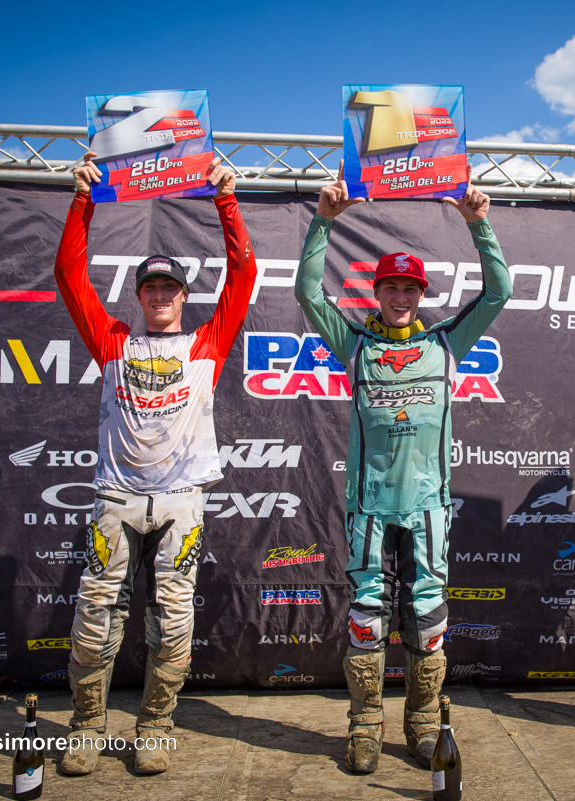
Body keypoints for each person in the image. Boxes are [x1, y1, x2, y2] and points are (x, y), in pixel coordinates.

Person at [294, 164, 510, 773]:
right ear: (377, 293)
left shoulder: (445, 344)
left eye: (410, 289)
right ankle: (365, 726)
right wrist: (323, 221)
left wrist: (480, 224)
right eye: (390, 287)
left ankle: (422, 723)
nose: (400, 297)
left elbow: (498, 293)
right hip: (369, 508)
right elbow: (309, 294)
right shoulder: (355, 346)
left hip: (428, 510)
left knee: (430, 621)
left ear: (421, 297)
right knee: (367, 622)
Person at [53, 151, 257, 775]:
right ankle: (86, 727)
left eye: (170, 287)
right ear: (140, 296)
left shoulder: (206, 343)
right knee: (95, 616)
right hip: (116, 499)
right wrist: (82, 199)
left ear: (183, 296)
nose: (161, 295)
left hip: (180, 501)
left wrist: (226, 200)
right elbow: (68, 274)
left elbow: (244, 274)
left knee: (172, 622)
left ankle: (156, 727)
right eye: (151, 288)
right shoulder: (113, 341)